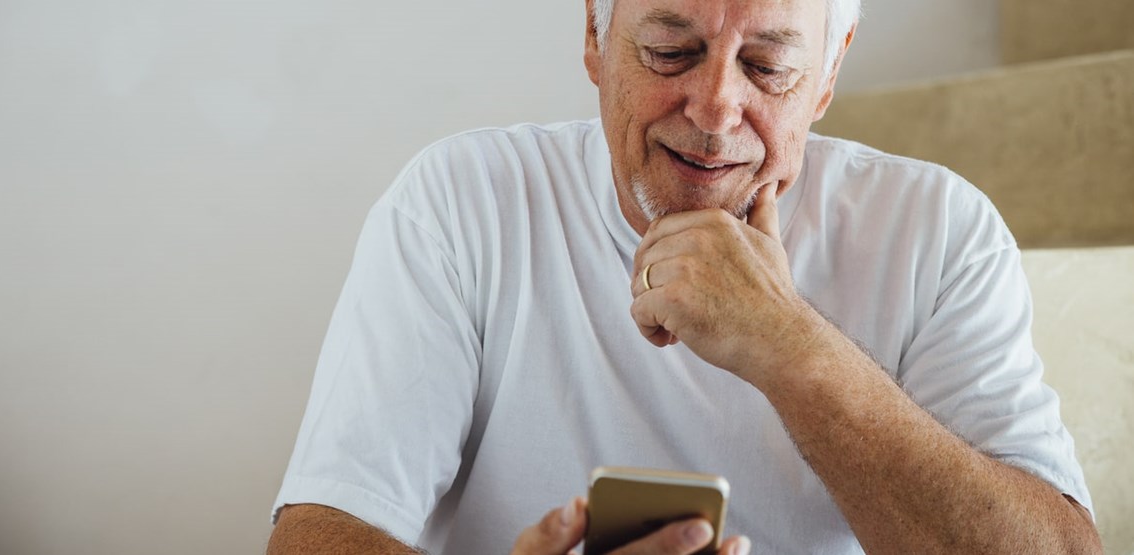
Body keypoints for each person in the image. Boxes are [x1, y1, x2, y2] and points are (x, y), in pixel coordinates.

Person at [268, 0, 1103, 553]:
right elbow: (321, 529)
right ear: (595, 36)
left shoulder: (939, 230)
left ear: (830, 73)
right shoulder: (458, 202)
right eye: (671, 50)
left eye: (769, 65)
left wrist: (789, 344)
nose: (714, 108)